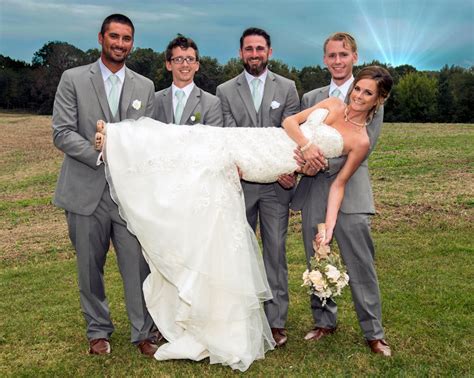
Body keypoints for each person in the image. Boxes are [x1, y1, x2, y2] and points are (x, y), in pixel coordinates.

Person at [51, 14, 159, 356]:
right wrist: (102, 154)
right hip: (85, 191)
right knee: (89, 266)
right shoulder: (73, 79)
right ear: (101, 38)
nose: (120, 44)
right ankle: (98, 330)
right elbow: (62, 132)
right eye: (114, 36)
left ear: (132, 43)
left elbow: (149, 138)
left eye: (126, 38)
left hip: (129, 196)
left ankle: (143, 332)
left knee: (137, 266)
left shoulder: (145, 86)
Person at [290, 32, 392, 356]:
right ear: (325, 59)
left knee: (360, 263)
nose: (337, 60)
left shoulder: (369, 94)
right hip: (312, 190)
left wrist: (317, 161)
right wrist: (302, 162)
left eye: (343, 55)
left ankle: (373, 332)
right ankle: (324, 321)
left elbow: (364, 147)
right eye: (332, 55)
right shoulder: (314, 96)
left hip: (350, 187)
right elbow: (299, 136)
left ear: (354, 58)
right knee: (317, 256)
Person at [216, 28, 300, 347]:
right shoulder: (225, 90)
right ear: (241, 53)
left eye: (260, 48)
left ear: (270, 52)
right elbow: (227, 135)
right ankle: (243, 316)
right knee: (239, 252)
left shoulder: (288, 87)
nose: (254, 54)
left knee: (275, 253)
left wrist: (286, 170)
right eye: (249, 49)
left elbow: (291, 132)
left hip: (277, 185)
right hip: (240, 185)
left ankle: (276, 321)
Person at [153, 35, 223, 126]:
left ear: (197, 65)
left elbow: (213, 138)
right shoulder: (154, 100)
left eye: (190, 59)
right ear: (169, 65)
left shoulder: (212, 103)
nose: (185, 64)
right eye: (178, 59)